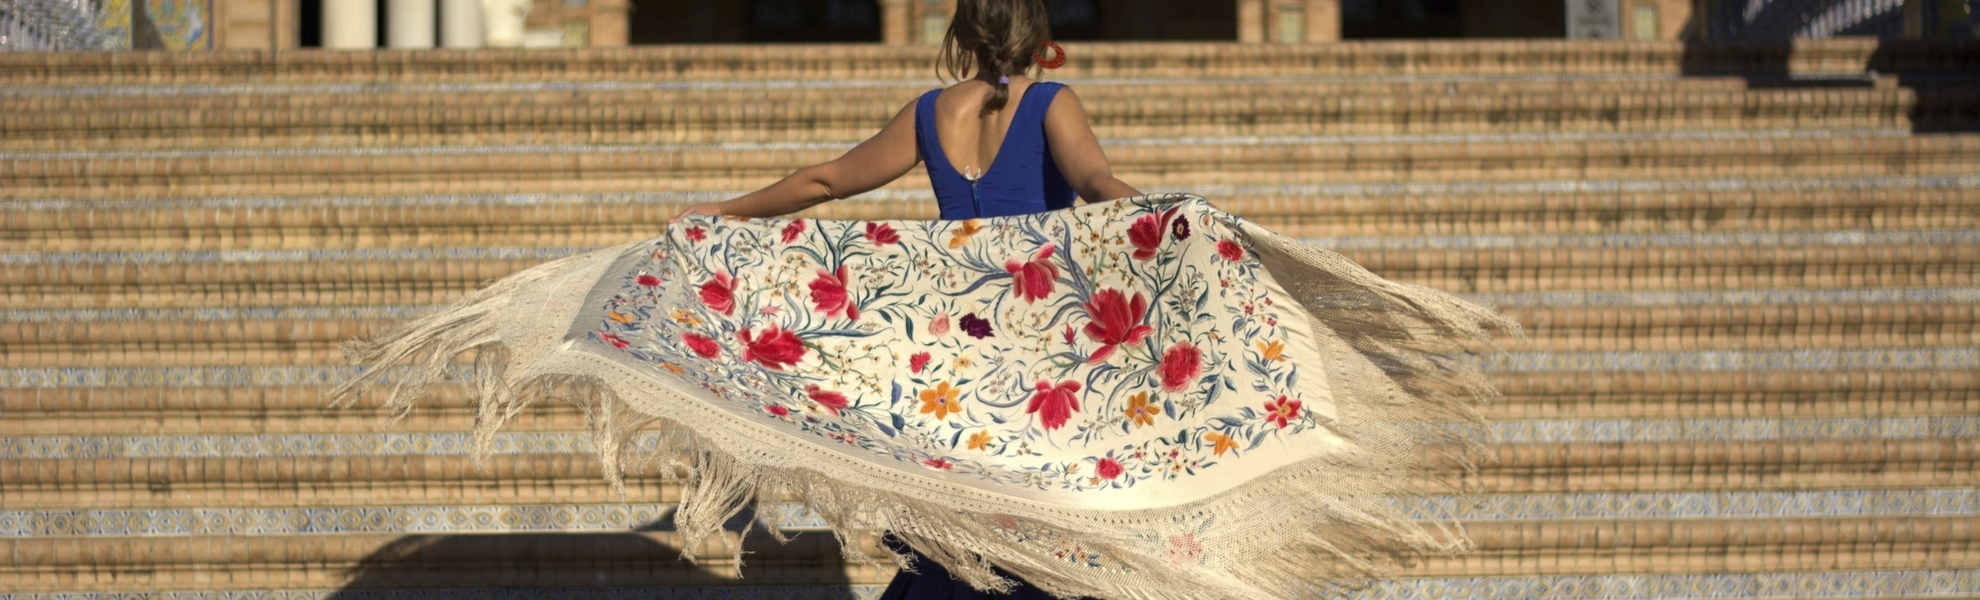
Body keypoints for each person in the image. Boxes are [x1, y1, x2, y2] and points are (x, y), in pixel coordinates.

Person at [673, 1, 1127, 596]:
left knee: (966, 519)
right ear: (1036, 31)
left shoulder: (931, 112)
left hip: (958, 356)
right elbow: (1098, 186)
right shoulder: (1051, 102)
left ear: (963, 31)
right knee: (1038, 522)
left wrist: (722, 212)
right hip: (1040, 355)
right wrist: (1185, 220)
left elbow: (828, 180)